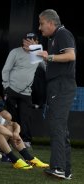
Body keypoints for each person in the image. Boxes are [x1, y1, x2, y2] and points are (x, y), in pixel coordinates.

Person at [37, 9, 76, 180]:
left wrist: (49, 57)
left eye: (41, 23)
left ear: (51, 23)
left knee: (57, 127)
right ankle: (65, 171)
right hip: (58, 85)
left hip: (61, 85)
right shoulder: (55, 38)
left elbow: (70, 55)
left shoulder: (63, 34)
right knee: (61, 128)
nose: (40, 28)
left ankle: (59, 168)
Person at [2, 33, 40, 148]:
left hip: (26, 92)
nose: (28, 43)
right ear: (23, 41)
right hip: (11, 89)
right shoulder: (15, 52)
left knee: (25, 116)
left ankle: (26, 141)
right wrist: (6, 87)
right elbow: (6, 69)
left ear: (37, 42)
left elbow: (46, 66)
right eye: (27, 40)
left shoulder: (37, 53)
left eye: (32, 41)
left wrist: (35, 49)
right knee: (11, 116)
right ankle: (10, 139)